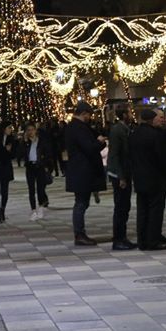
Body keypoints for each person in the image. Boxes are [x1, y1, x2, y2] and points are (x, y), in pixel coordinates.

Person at [65, 101, 107, 246]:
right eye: (89, 115)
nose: (90, 118)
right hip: (82, 171)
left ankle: (80, 233)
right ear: (84, 114)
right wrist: (100, 142)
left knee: (81, 203)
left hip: (78, 170)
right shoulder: (79, 128)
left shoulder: (73, 127)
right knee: (81, 203)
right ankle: (79, 234)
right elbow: (89, 148)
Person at [131, 108, 166, 250]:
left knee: (142, 211)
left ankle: (142, 240)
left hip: (140, 178)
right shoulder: (155, 135)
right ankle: (153, 240)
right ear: (151, 119)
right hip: (155, 178)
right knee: (155, 211)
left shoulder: (135, 134)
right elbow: (162, 158)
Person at [107, 103, 136, 251]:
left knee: (124, 206)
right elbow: (115, 154)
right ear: (124, 115)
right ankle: (118, 239)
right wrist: (121, 177)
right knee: (121, 207)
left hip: (124, 172)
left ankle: (121, 237)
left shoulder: (125, 129)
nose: (132, 115)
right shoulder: (118, 130)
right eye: (130, 113)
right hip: (120, 174)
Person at [18, 123, 52, 221]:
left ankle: (41, 207)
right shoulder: (25, 142)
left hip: (40, 166)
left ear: (35, 130)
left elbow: (48, 153)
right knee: (31, 190)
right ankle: (33, 210)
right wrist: (23, 142)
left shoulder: (41, 141)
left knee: (41, 189)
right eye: (28, 130)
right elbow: (19, 154)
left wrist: (46, 165)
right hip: (30, 167)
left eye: (32, 129)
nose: (30, 132)